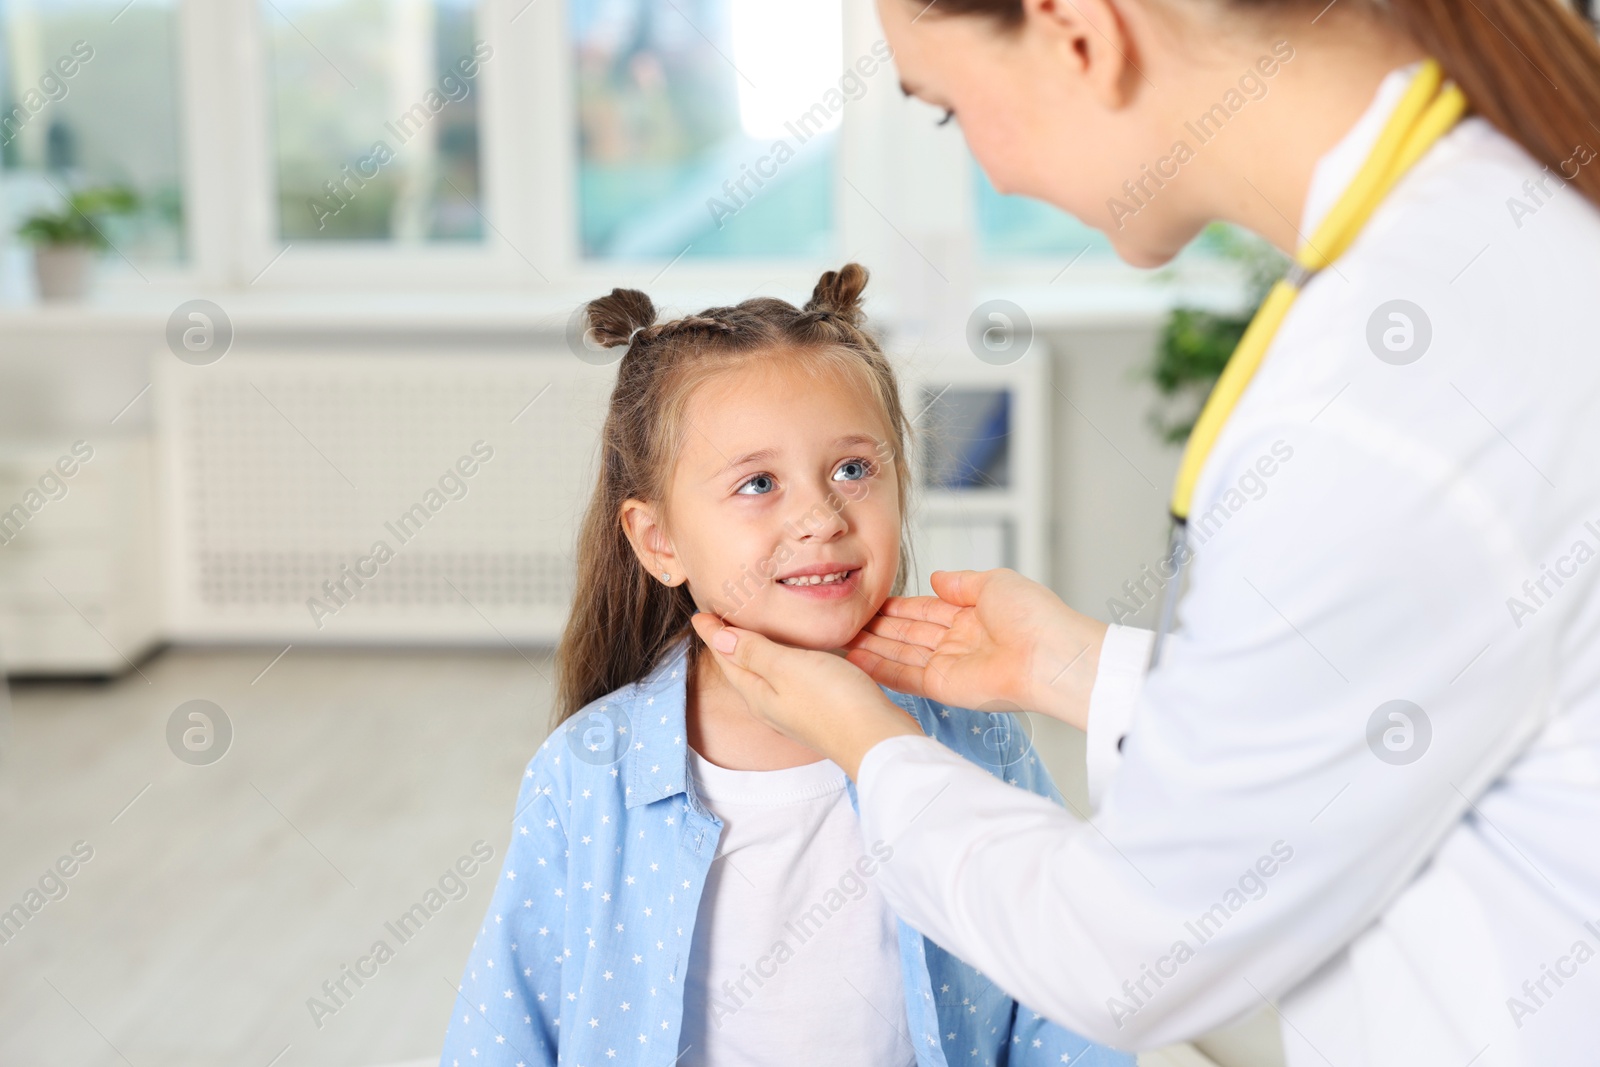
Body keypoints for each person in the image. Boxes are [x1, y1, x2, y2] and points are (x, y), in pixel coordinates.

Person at [683, 0, 1600, 1065]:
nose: (991, 171)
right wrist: (1083, 667)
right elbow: (1402, 700)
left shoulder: (1387, 394)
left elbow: (1134, 953)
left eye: (948, 113)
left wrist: (869, 745)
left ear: (1078, 32)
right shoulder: (1473, 249)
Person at [437, 265, 1133, 1066]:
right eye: (758, 483)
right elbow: (507, 1027)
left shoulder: (976, 739)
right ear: (658, 540)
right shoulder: (587, 773)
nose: (820, 516)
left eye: (852, 469)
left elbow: (1064, 993)